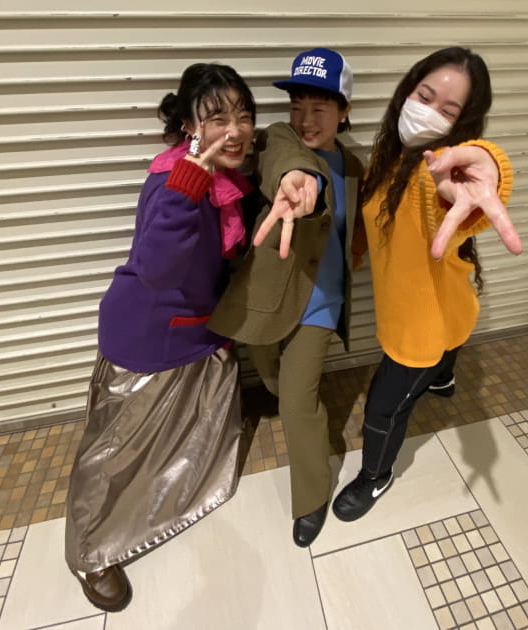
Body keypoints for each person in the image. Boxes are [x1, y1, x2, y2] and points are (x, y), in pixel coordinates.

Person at [64, 63, 256, 612]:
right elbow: (156, 268)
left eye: (243, 114)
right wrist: (188, 185)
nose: (234, 130)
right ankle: (89, 552)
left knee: (194, 430)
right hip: (147, 336)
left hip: (194, 332)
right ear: (189, 127)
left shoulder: (226, 178)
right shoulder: (175, 181)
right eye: (217, 117)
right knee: (111, 457)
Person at [330, 46, 522, 522]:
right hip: (448, 304)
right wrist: (357, 249)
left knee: (382, 410)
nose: (429, 112)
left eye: (449, 110)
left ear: (464, 123)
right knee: (446, 350)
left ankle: (376, 476)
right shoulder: (389, 153)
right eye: (425, 96)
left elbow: (476, 178)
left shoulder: (439, 174)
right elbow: (373, 209)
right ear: (407, 91)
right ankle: (443, 377)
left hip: (423, 325)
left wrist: (490, 162)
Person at [208, 48, 365, 547]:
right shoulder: (280, 138)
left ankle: (311, 496)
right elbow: (286, 162)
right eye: (298, 105)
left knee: (297, 403)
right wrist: (299, 180)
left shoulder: (355, 164)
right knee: (271, 374)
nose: (305, 119)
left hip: (322, 301)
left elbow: (361, 220)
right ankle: (290, 391)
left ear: (345, 111)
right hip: (269, 294)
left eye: (319, 108)